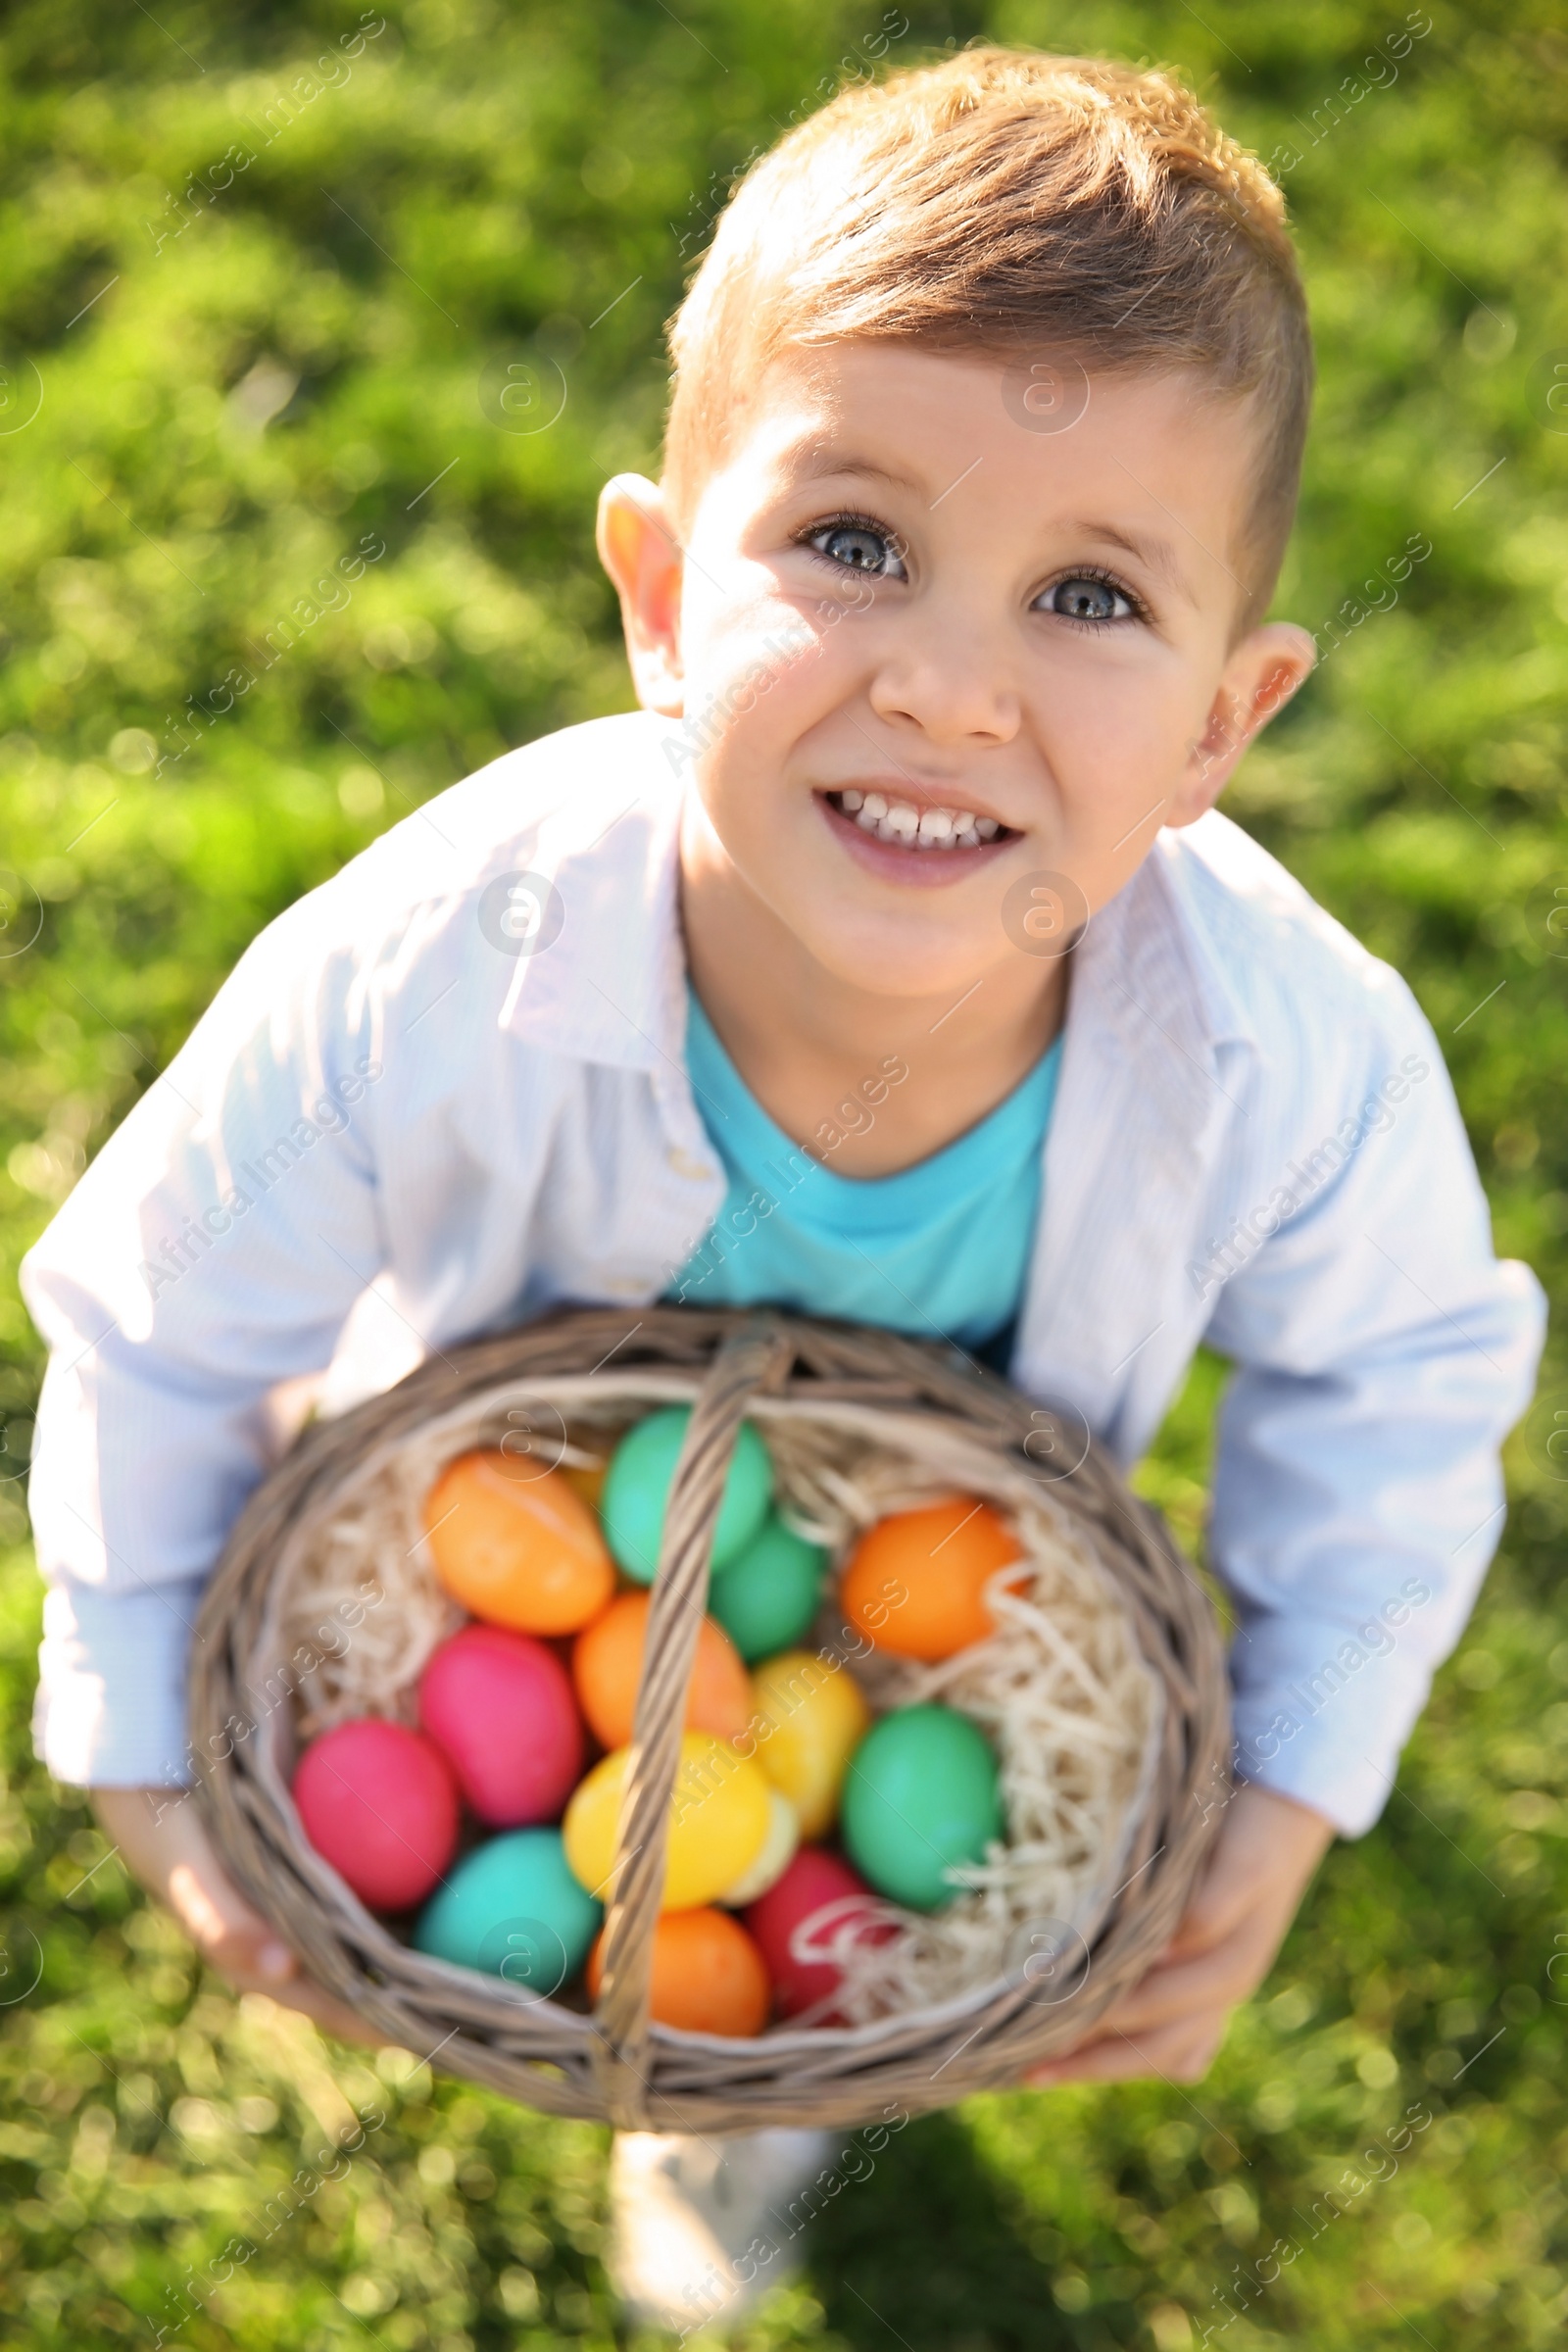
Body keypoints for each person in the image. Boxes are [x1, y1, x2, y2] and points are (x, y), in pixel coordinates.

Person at [22, 44, 1543, 2336]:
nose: (945, 688)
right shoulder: (435, 959)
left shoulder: (1277, 1059)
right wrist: (142, 1722)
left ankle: (735, 2106)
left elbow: (1402, 1370)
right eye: (852, 546)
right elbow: (162, 1317)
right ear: (654, 595)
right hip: (477, 1554)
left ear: (1228, 727)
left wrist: (1290, 1779)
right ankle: (641, 1995)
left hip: (911, 1611)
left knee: (803, 1865)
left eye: (1089, 601)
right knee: (621, 1819)